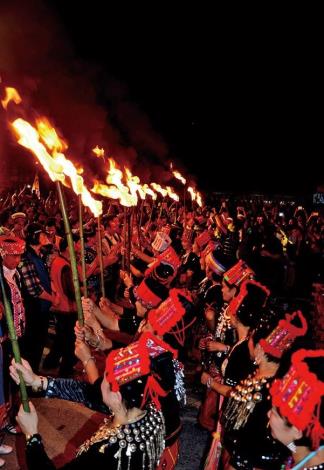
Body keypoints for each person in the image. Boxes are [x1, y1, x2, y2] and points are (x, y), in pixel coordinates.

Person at [10, 332, 171, 469]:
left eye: (105, 378)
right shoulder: (146, 409)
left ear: (117, 396)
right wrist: (38, 381)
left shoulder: (106, 451)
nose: (100, 381)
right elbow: (87, 393)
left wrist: (32, 436)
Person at [269, 348, 324, 469]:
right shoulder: (298, 448)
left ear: (297, 431)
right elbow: (292, 447)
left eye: (273, 412)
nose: (268, 415)